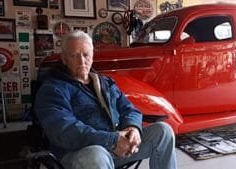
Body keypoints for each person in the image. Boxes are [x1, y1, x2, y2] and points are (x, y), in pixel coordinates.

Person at [34, 30, 177, 169]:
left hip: (117, 145)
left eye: (86, 55)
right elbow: (64, 131)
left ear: (92, 56)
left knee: (163, 131)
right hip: (79, 153)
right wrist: (112, 140)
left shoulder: (105, 83)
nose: (82, 61)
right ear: (64, 59)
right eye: (74, 56)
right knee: (96, 155)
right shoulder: (53, 89)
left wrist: (132, 128)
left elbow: (129, 109)